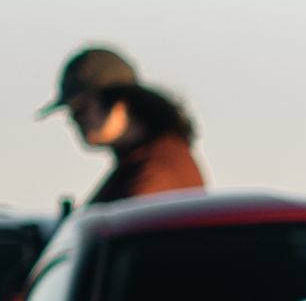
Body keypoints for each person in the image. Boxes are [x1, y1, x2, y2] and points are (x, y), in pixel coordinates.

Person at [43, 44, 205, 203]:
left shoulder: (156, 171)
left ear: (119, 102)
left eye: (81, 109)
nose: (73, 120)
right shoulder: (141, 162)